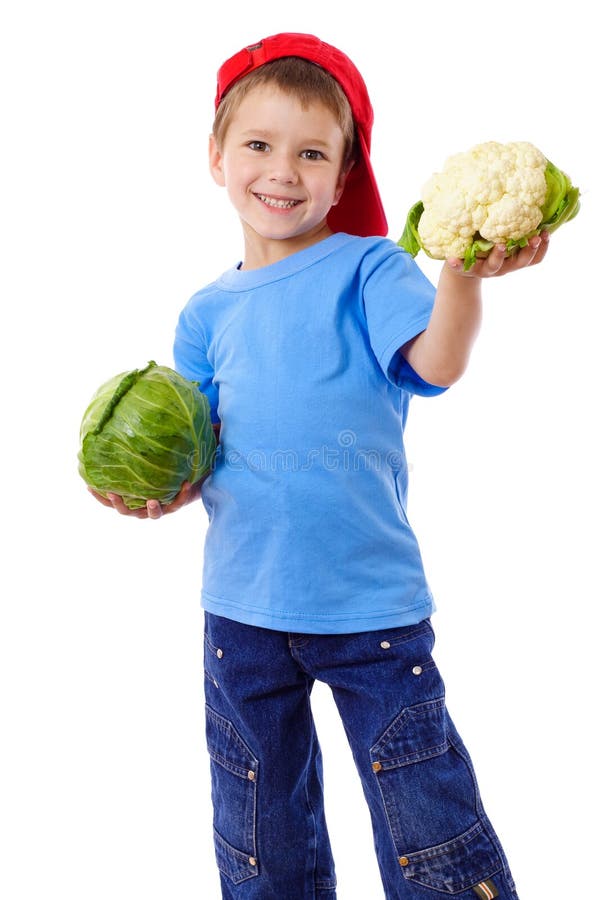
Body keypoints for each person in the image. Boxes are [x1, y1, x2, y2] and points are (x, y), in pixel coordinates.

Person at [92, 32, 549, 899]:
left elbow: (435, 365)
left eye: (312, 153)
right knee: (262, 836)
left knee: (429, 821)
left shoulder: (371, 267)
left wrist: (463, 277)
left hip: (370, 608)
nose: (282, 171)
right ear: (217, 157)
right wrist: (155, 490)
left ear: (343, 176)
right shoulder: (204, 313)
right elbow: (198, 451)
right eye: (259, 146)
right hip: (243, 611)